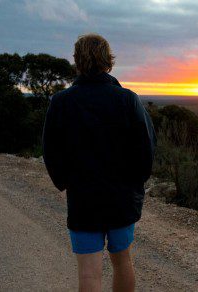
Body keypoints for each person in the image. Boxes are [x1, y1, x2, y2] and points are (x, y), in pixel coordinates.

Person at [42, 33, 156, 292]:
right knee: (122, 261)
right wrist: (136, 182)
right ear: (108, 61)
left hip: (83, 198)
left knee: (89, 273)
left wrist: (64, 182)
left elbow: (51, 149)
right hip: (122, 198)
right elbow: (146, 147)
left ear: (77, 61)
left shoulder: (61, 101)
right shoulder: (127, 99)